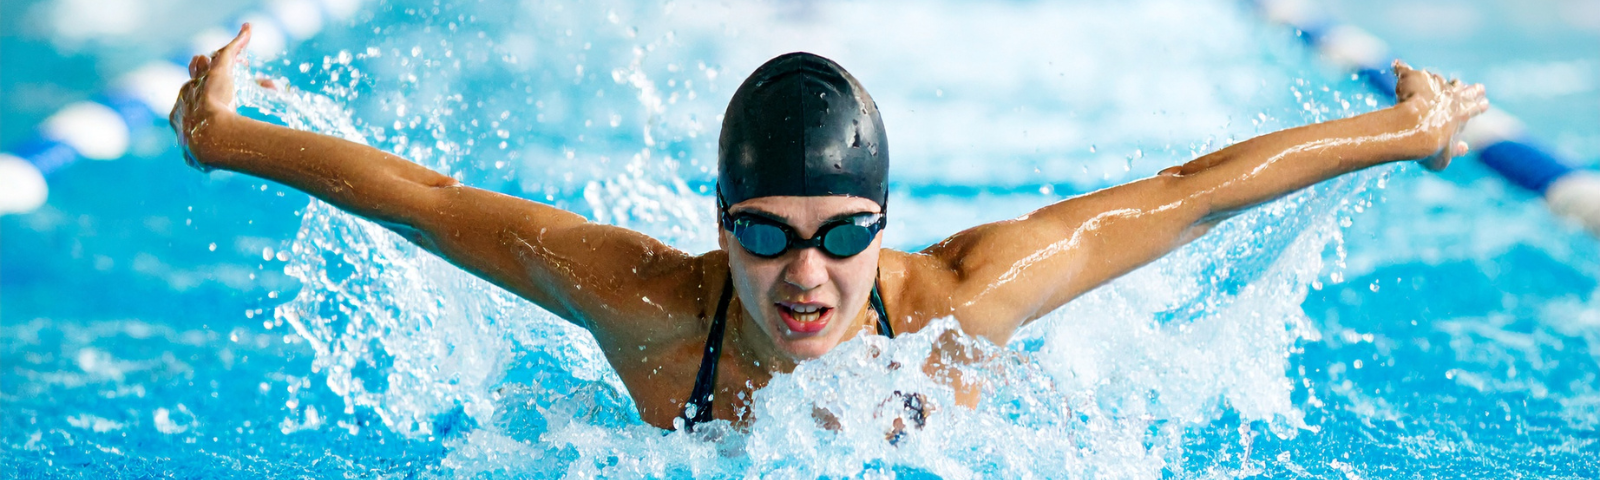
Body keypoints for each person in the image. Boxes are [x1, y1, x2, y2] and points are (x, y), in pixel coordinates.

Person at [171, 24, 1488, 432]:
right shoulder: (649, 306)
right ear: (719, 227)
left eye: (843, 233)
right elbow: (435, 203)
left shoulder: (969, 298)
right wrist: (227, 139)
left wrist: (1410, 128)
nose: (807, 277)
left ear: (887, 225)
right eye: (766, 234)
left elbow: (1191, 194)